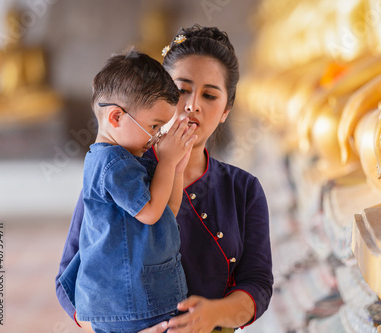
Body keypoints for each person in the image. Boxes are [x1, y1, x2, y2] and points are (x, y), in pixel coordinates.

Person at [56, 25, 274, 333]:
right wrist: (117, 324)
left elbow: (258, 283)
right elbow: (69, 277)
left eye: (210, 95)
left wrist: (214, 314)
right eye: (181, 89)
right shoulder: (120, 175)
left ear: (226, 110)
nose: (192, 105)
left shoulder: (243, 189)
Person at [58, 49, 198, 333]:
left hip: (138, 300)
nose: (157, 135)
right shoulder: (111, 163)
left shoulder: (128, 159)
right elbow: (149, 212)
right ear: (116, 117)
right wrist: (167, 161)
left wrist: (177, 169)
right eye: (154, 126)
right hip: (125, 303)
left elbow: (164, 213)